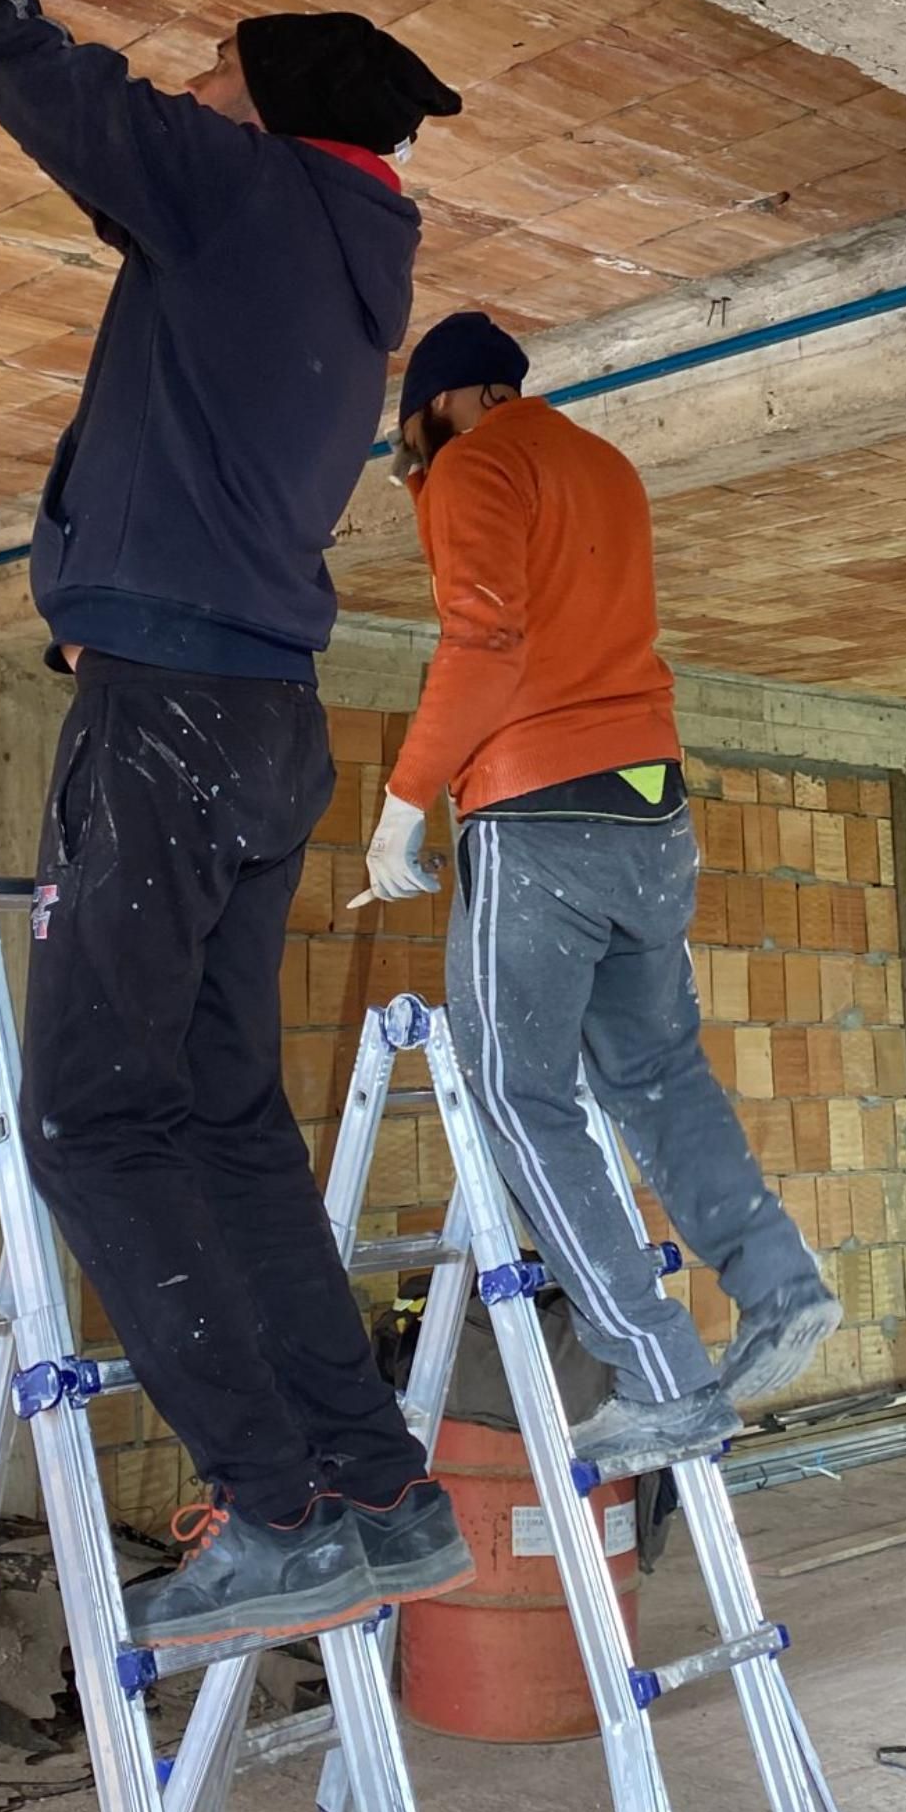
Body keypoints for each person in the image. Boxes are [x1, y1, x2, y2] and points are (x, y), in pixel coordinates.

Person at [0, 0, 473, 1648]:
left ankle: (278, 1508)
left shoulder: (239, 192)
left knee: (94, 1120)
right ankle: (372, 1489)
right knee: (211, 1114)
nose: (188, 88)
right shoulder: (344, 252)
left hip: (188, 717)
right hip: (255, 716)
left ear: (268, 117)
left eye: (215, 73)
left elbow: (34, 71)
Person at [359, 309, 841, 1475]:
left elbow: (484, 642)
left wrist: (400, 806)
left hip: (538, 815)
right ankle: (779, 1284)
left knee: (518, 1094)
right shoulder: (604, 465)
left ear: (455, 399)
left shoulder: (479, 461)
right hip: (648, 811)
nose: (414, 462)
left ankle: (658, 1373)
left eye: (415, 434)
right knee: (655, 1070)